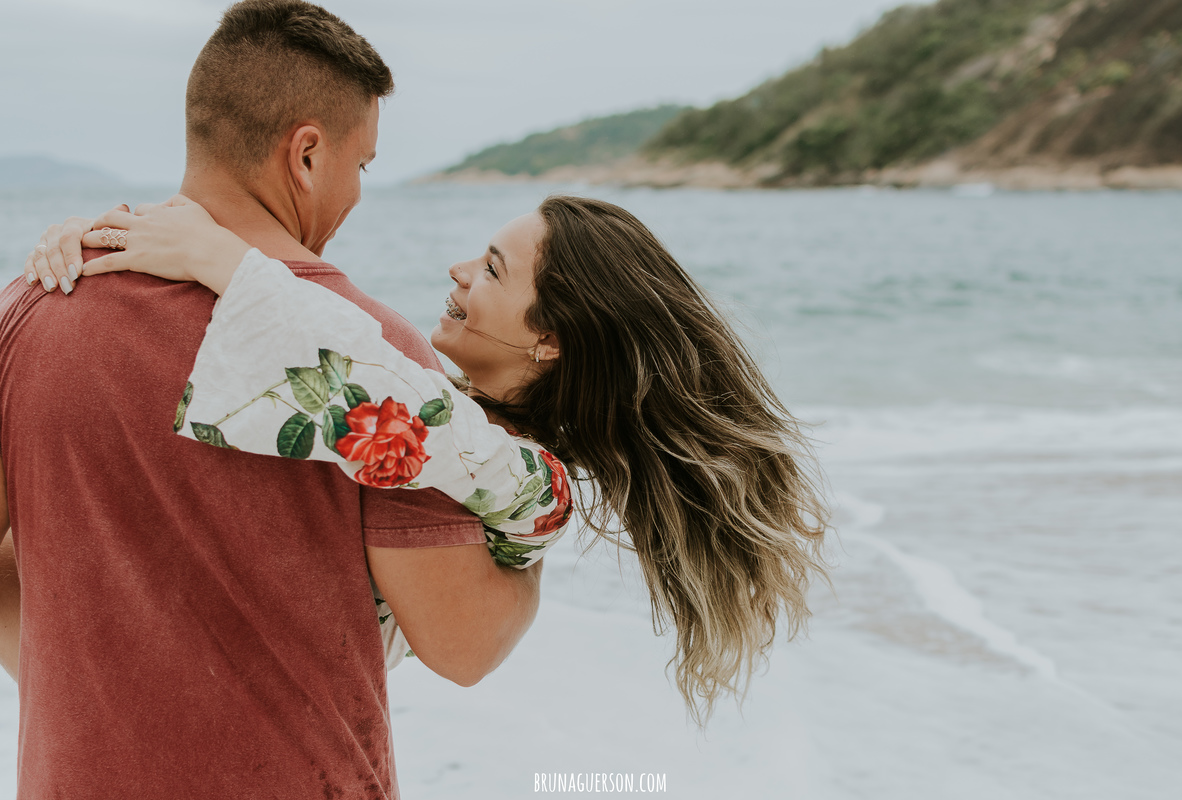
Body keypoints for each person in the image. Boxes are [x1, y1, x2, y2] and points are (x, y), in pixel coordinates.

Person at [0, 2, 548, 797]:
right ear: (308, 154)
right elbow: (463, 644)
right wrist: (529, 551)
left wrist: (95, 683)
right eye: (362, 166)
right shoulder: (372, 354)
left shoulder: (34, 306)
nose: (357, 192)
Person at [27, 192, 832, 726]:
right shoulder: (463, 423)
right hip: (154, 687)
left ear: (549, 338)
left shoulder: (532, 481)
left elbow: (381, 398)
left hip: (238, 714)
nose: (456, 271)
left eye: (491, 268)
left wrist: (222, 261)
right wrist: (98, 244)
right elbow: (376, 367)